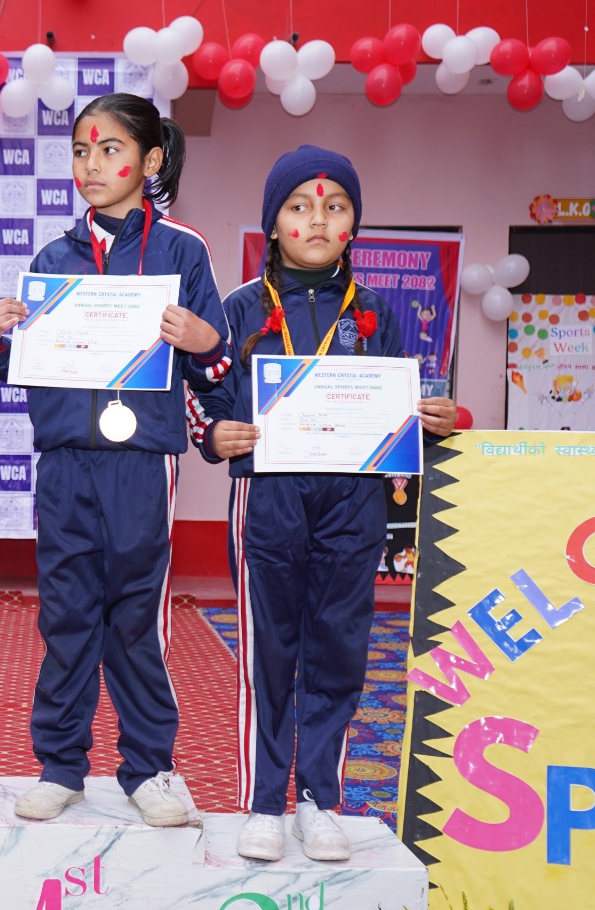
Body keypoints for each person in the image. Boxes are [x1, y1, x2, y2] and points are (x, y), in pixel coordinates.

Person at [0, 93, 230, 828]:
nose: (91, 164)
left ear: (150, 161)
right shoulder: (54, 258)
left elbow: (217, 372)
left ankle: (149, 767)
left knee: (136, 621)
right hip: (66, 465)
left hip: (141, 465)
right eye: (81, 150)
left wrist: (206, 342)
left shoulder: (182, 250)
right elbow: (27, 368)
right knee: (67, 617)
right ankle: (61, 766)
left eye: (110, 149)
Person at [194, 145, 456, 863]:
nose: (316, 220)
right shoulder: (240, 310)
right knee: (269, 651)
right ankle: (262, 803)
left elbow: (399, 414)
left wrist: (430, 422)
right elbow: (207, 400)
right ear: (273, 222)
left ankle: (319, 800)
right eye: (299, 206)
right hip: (269, 498)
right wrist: (214, 434)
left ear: (353, 226)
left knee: (338, 648)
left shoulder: (374, 312)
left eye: (334, 207)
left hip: (353, 502)